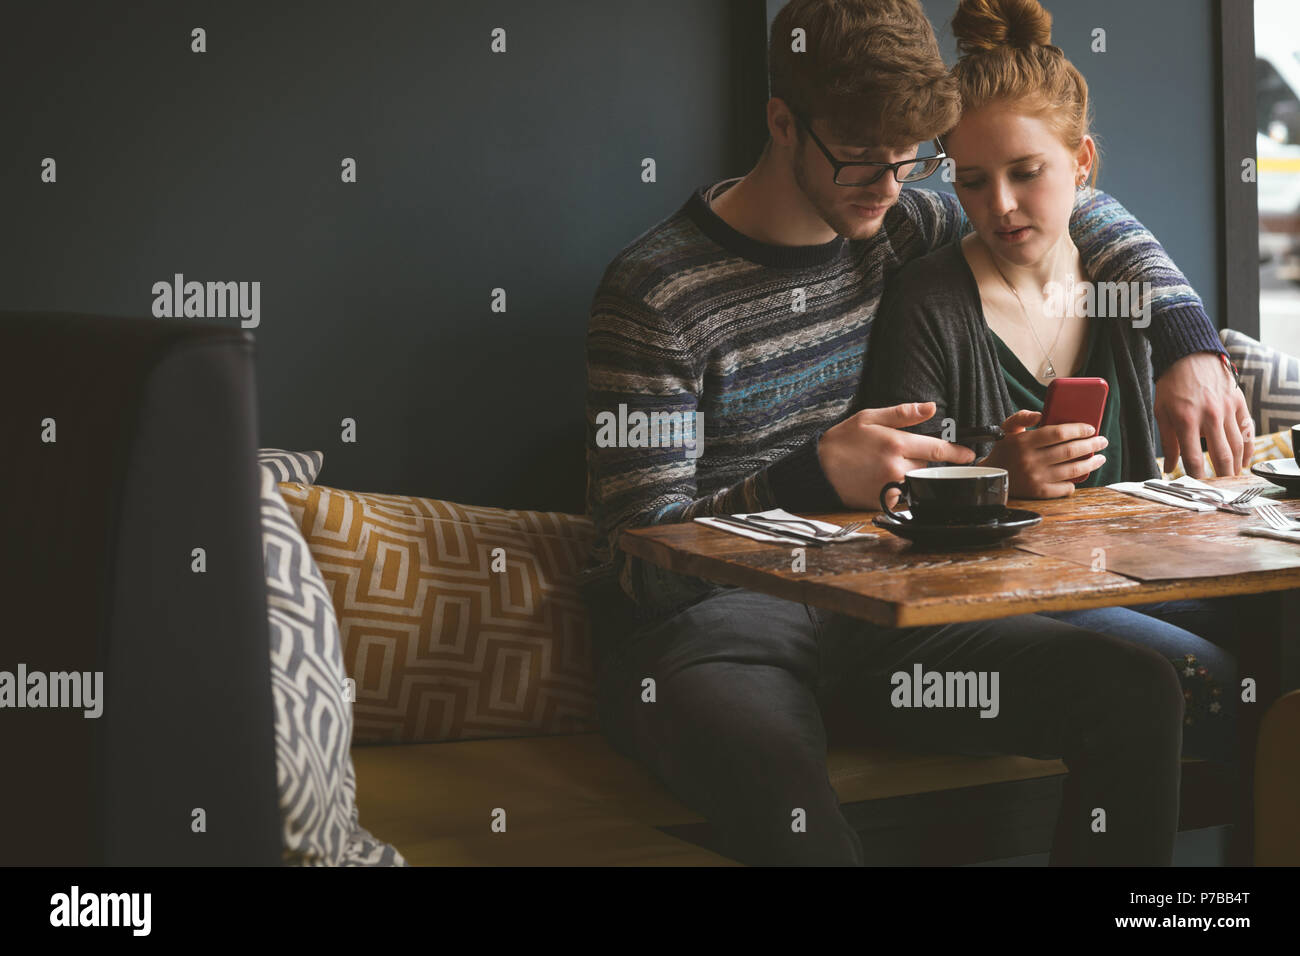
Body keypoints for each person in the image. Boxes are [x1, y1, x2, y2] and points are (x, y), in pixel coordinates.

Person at [582, 0, 1249, 865]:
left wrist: (1189, 346)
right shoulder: (655, 292)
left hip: (886, 620)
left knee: (1135, 692)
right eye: (863, 160)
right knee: (790, 808)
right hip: (723, 633)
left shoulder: (900, 217)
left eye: (913, 161)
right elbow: (641, 555)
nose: (892, 187)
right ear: (783, 122)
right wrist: (810, 478)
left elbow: (1086, 207)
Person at [858, 0, 1239, 766]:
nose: (999, 205)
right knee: (1204, 674)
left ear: (1082, 163)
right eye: (971, 181)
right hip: (1010, 609)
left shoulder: (1130, 291)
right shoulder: (928, 300)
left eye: (1026, 173)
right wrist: (1000, 476)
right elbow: (892, 504)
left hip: (1138, 580)